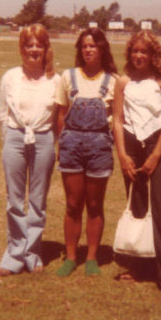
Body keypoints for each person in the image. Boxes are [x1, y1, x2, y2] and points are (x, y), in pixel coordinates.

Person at [113, 30, 161, 295]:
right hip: (131, 144)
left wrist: (156, 155)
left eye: (144, 51)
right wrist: (122, 155)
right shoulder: (123, 82)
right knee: (138, 205)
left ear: (154, 54)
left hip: (156, 144)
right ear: (130, 54)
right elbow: (118, 121)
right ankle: (138, 267)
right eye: (135, 51)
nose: (139, 56)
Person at [0, 24, 60, 277]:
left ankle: (32, 253)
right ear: (22, 48)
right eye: (29, 45)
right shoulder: (10, 76)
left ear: (46, 48)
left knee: (37, 200)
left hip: (44, 140)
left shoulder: (56, 80)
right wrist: (9, 137)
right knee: (14, 200)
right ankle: (14, 254)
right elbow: (3, 112)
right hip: (15, 138)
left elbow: (59, 116)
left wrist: (51, 140)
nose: (34, 49)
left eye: (38, 45)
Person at [55, 28, 118, 277]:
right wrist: (64, 142)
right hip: (71, 145)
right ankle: (71, 257)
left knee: (94, 204)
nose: (88, 50)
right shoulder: (68, 76)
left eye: (93, 46)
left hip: (99, 147)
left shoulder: (113, 81)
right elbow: (60, 114)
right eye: (84, 46)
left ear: (102, 49)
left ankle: (91, 256)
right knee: (72, 204)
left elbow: (119, 117)